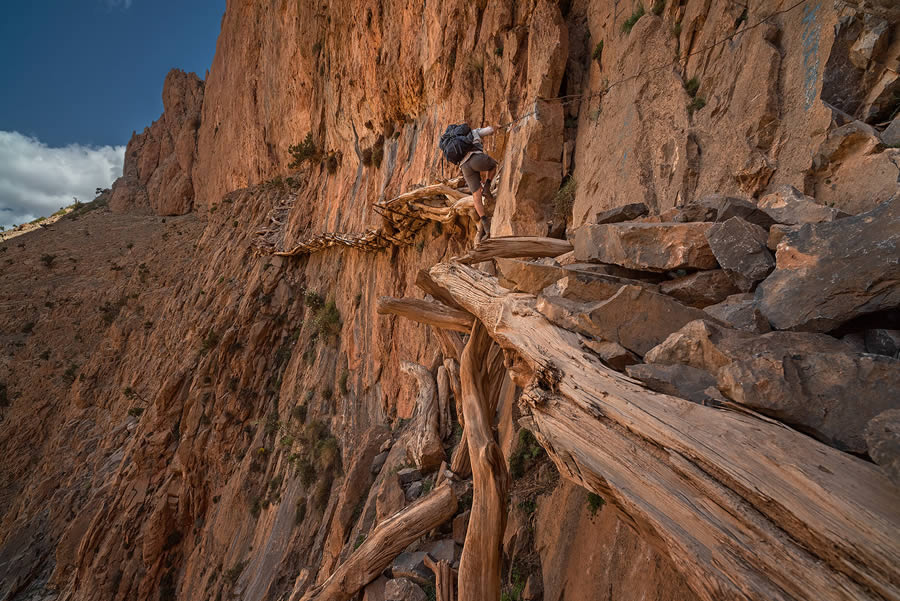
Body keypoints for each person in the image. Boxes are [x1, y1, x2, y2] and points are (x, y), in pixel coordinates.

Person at [439, 124, 498, 241]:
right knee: (493, 165)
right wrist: (496, 127)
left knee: (476, 196)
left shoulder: (453, 144)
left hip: (465, 167)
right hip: (475, 158)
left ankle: (485, 224)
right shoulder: (473, 132)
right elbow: (489, 130)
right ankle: (487, 186)